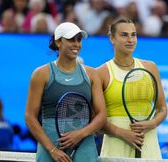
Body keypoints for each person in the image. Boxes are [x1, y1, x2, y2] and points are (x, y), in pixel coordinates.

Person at [25, 22, 107, 162]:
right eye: (70, 39)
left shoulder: (92, 74)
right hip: (50, 145)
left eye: (79, 40)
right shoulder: (41, 74)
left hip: (84, 144)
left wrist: (80, 134)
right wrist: (52, 150)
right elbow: (30, 117)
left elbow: (102, 115)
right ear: (58, 42)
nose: (76, 44)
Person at [97, 17, 168, 159]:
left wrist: (151, 123)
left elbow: (162, 109)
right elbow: (96, 119)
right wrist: (123, 134)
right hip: (115, 146)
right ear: (112, 38)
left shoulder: (151, 68)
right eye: (124, 35)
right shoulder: (101, 73)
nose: (130, 40)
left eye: (133, 35)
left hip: (148, 144)